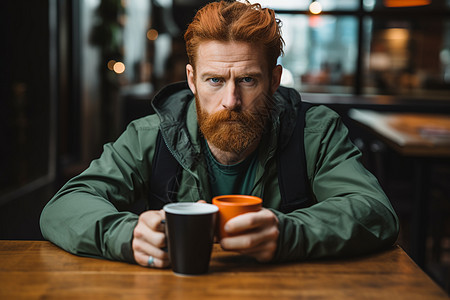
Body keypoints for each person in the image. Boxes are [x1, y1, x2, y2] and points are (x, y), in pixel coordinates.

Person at [40, 1, 399, 268]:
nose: (231, 101)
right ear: (192, 80)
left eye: (247, 79)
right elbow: (63, 208)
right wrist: (126, 235)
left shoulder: (315, 133)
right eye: (215, 80)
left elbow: (375, 213)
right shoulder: (150, 135)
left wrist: (289, 233)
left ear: (274, 81)